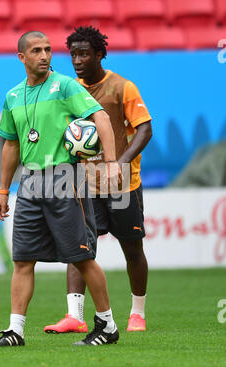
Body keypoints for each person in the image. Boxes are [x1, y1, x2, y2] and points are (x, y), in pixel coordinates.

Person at [0, 31, 122, 347]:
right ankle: (16, 331)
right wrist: (3, 191)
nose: (45, 55)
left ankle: (107, 325)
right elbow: (11, 145)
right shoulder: (12, 96)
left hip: (65, 177)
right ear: (21, 57)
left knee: (81, 257)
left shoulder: (65, 86)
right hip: (31, 182)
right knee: (22, 259)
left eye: (48, 49)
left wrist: (112, 162)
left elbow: (101, 118)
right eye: (36, 50)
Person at [44, 26, 152, 334]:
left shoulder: (122, 87)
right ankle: (75, 316)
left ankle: (137, 313)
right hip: (84, 185)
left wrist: (119, 162)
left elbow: (144, 130)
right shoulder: (67, 90)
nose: (77, 60)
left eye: (84, 53)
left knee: (132, 248)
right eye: (73, 54)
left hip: (121, 185)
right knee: (78, 249)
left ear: (100, 54)